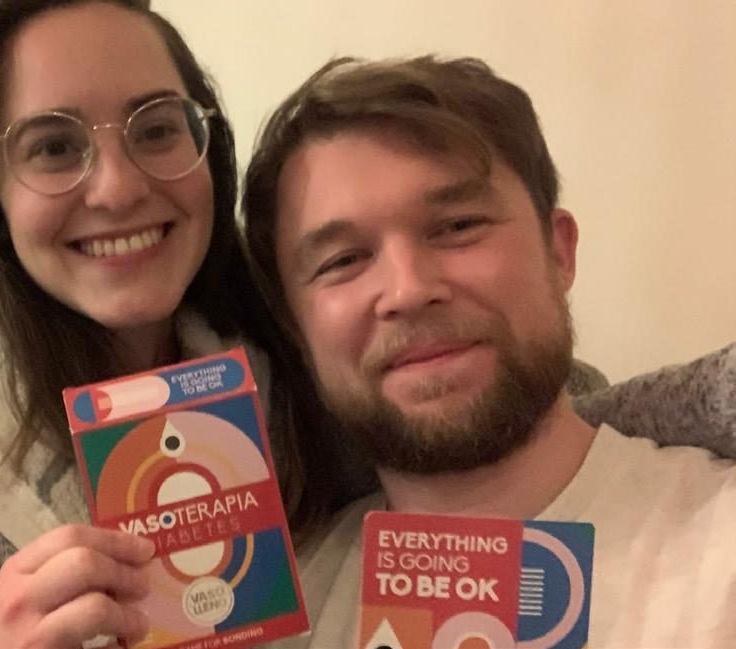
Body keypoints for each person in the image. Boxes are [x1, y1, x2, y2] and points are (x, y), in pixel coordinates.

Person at [0, 1, 729, 646]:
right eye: (53, 146)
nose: (118, 186)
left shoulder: (287, 389)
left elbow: (526, 411)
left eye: (156, 127)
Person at [242, 55, 736, 647]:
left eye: (458, 226)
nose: (408, 290)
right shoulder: (271, 619)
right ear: (295, 328)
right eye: (343, 260)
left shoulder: (721, 553)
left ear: (559, 252)